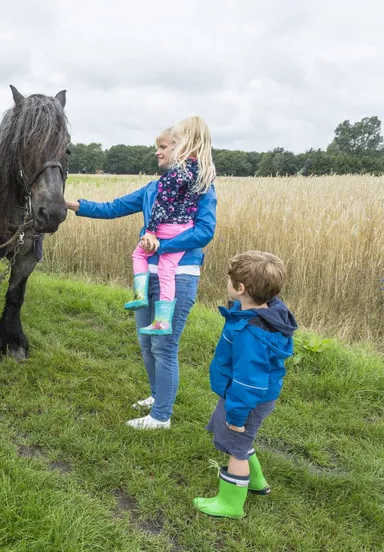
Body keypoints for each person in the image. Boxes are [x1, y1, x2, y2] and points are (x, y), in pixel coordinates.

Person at [66, 125, 217, 430]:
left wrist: (163, 245)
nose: (158, 152)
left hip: (179, 275)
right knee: (146, 343)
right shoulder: (154, 189)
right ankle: (156, 395)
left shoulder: (202, 187)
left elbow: (205, 231)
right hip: (147, 274)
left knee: (164, 346)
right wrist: (68, 203)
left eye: (163, 146)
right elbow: (112, 208)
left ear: (181, 148)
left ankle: (161, 417)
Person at [193, 251, 297, 519]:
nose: (226, 282)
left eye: (229, 280)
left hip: (245, 399)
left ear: (241, 289)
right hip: (249, 394)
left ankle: (230, 504)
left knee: (236, 447)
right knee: (241, 439)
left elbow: (247, 381)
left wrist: (237, 415)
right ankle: (257, 482)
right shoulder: (268, 310)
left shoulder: (250, 333)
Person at [124, 116, 215, 337]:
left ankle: (139, 296)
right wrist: (77, 205)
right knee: (166, 271)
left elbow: (162, 206)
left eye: (172, 143)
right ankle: (163, 320)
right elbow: (116, 206)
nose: (165, 149)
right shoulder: (204, 175)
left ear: (184, 143)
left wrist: (151, 232)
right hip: (183, 229)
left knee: (139, 254)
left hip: (166, 231)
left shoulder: (174, 175)